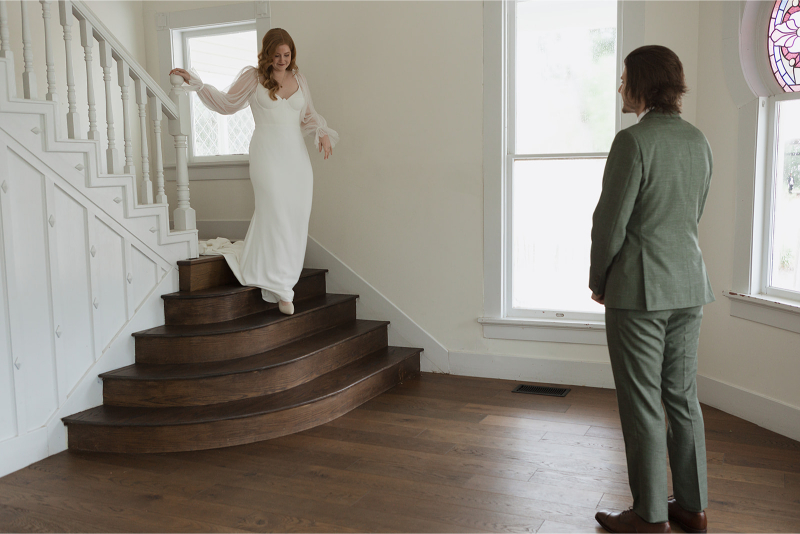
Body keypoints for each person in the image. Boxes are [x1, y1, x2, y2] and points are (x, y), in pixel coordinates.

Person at [590, 45, 714, 534]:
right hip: (689, 286)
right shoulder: (698, 140)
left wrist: (599, 280)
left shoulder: (633, 142)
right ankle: (692, 506)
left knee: (641, 401)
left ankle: (649, 516)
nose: (621, 87)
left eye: (624, 78)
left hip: (638, 292)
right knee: (682, 398)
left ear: (642, 84)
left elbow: (610, 223)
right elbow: (692, 212)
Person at [169, 28, 338, 316]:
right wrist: (197, 84)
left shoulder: (299, 78)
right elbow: (226, 103)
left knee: (295, 217)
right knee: (274, 212)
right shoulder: (253, 77)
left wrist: (321, 133)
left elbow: (308, 115)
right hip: (267, 155)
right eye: (277, 55)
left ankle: (284, 274)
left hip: (296, 158)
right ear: (267, 53)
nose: (283, 60)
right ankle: (282, 287)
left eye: (287, 55)